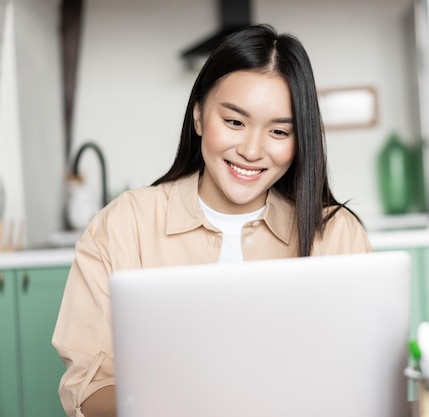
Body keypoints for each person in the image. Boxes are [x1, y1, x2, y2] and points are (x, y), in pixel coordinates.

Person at [52, 24, 371, 417]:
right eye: (234, 122)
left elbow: (362, 378)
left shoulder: (337, 235)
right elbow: (87, 388)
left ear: (299, 140)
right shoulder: (124, 225)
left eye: (278, 131)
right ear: (200, 117)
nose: (252, 150)